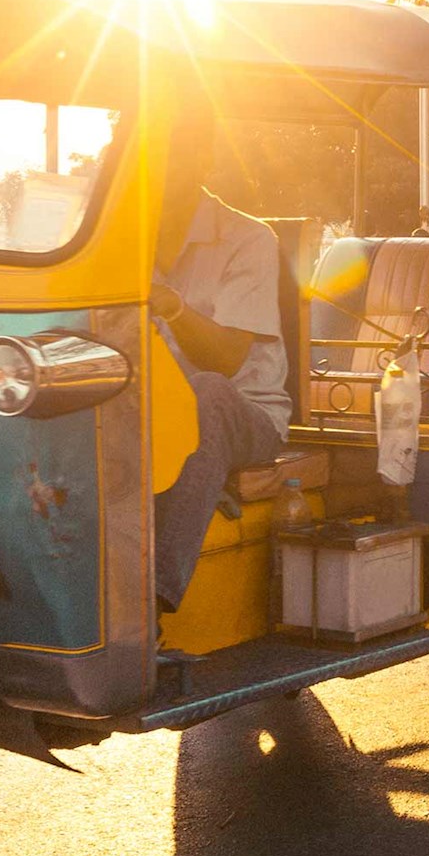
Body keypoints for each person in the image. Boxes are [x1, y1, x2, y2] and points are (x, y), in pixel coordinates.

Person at [147, 106, 290, 615]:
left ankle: (151, 599)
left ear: (201, 160)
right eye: (144, 151)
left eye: (169, 152)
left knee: (205, 393)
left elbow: (227, 360)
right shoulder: (117, 236)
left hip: (247, 413)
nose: (154, 164)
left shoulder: (248, 238)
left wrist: (172, 306)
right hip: (152, 409)